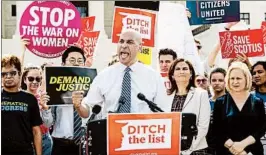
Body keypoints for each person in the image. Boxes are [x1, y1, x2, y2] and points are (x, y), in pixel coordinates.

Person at [72, 29, 170, 119]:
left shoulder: (153, 76)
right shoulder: (104, 76)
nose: (124, 45)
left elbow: (163, 112)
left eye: (130, 42)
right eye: (121, 41)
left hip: (142, 134)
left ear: (140, 47)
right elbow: (88, 110)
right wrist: (79, 106)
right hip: (112, 133)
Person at [39, 46, 87, 155]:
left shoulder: (92, 87)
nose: (76, 64)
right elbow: (47, 124)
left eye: (80, 61)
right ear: (63, 64)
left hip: (84, 144)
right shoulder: (54, 88)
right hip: (60, 145)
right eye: (72, 60)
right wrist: (46, 109)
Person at [213, 62, 266, 155]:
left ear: (246, 79)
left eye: (238, 78)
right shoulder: (220, 102)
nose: (235, 82)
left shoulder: (258, 102)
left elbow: (261, 128)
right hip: (226, 151)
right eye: (232, 78)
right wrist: (235, 148)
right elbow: (216, 130)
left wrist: (243, 145)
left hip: (252, 151)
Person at [167, 58, 210, 155]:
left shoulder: (201, 94)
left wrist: (187, 149)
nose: (181, 71)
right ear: (172, 75)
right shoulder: (165, 96)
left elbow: (203, 126)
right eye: (177, 69)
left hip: (195, 149)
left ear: (191, 74)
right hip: (171, 149)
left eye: (185, 68)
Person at [1, 55, 42, 155]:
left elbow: (36, 131)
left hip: (24, 151)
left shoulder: (30, 99)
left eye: (12, 73)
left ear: (19, 74)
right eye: (4, 74)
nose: (8, 76)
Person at [21, 65, 53, 155]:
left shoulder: (44, 97)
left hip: (45, 139)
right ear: (24, 80)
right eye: (31, 79)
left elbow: (48, 124)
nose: (34, 82)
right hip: (28, 140)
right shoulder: (20, 97)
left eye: (38, 79)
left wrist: (45, 108)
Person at [206, 67, 227, 155]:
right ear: (210, 82)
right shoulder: (205, 102)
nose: (217, 83)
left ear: (226, 82)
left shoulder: (232, 101)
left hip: (227, 145)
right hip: (209, 145)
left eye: (220, 80)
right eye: (214, 80)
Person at [251, 61, 266, 154]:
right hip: (255, 145)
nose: (256, 75)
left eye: (260, 72)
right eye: (254, 73)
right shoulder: (249, 98)